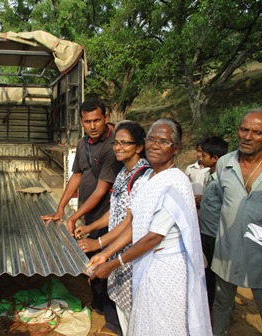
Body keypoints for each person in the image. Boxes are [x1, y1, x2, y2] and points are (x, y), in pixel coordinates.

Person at [90, 118, 211, 335]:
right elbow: (134, 223)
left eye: (163, 141)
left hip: (167, 268)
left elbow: (154, 236)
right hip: (146, 262)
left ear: (177, 148)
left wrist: (113, 262)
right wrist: (104, 253)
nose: (155, 145)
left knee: (163, 323)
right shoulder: (146, 177)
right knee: (145, 320)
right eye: (152, 139)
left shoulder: (175, 182)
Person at [41, 98, 123, 335]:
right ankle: (98, 305)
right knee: (94, 261)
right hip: (91, 217)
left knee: (108, 265)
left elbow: (100, 189)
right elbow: (76, 176)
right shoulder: (83, 143)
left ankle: (113, 322)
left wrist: (73, 216)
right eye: (87, 121)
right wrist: (61, 208)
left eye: (97, 119)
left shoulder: (111, 146)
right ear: (81, 122)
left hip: (110, 217)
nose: (93, 125)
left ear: (106, 118)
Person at [77, 120, 149, 335]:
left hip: (131, 247)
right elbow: (115, 212)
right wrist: (91, 226)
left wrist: (98, 243)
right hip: (117, 244)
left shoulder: (142, 177)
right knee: (119, 295)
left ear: (138, 147)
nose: (118, 147)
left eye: (125, 143)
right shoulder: (123, 173)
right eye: (116, 143)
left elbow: (129, 223)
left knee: (133, 302)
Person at [211, 109, 262, 336]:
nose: (247, 136)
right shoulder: (224, 163)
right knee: (222, 303)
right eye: (244, 129)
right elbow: (221, 201)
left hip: (259, 253)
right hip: (227, 250)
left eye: (257, 132)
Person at [198, 136, 228, 309]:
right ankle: (209, 304)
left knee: (217, 273)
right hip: (206, 232)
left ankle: (221, 306)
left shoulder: (223, 180)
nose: (200, 158)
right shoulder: (209, 175)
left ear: (215, 158)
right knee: (207, 270)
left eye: (204, 155)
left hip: (216, 234)